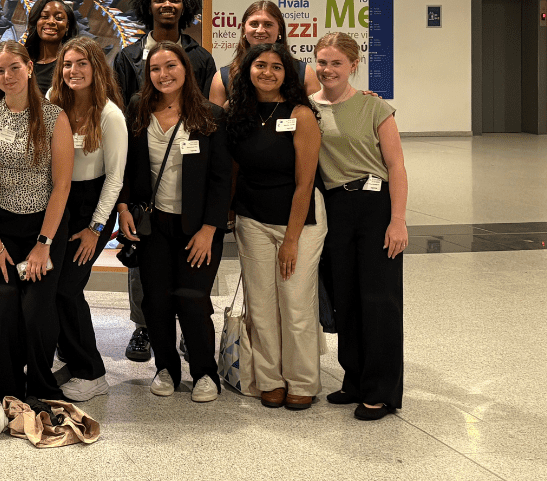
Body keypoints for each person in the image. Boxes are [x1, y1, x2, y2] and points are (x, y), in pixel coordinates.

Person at [112, 0, 214, 362]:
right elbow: (122, 116)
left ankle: (190, 327)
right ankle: (144, 326)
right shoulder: (128, 56)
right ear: (148, 5)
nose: (167, 5)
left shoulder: (201, 57)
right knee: (145, 257)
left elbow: (209, 113)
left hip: (189, 168)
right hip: (145, 170)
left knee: (189, 255)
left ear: (184, 5)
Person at [122, 41, 230, 403]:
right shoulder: (138, 109)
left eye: (171, 66)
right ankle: (166, 368)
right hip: (152, 225)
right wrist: (123, 209)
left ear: (185, 69)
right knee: (156, 300)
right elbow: (124, 168)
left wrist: (209, 229)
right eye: (155, 69)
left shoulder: (210, 115)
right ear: (147, 74)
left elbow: (221, 179)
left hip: (197, 228)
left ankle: (204, 373)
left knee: (193, 299)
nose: (164, 74)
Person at [0, 41, 73, 400]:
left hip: (45, 227)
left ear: (29, 67)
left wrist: (43, 245)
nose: (7, 76)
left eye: (14, 67)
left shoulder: (55, 117)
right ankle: (8, 388)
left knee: (36, 311)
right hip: (0, 228)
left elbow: (61, 186)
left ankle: (42, 385)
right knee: (6, 307)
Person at [311, 32, 408, 421]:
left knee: (379, 299)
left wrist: (397, 220)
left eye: (336, 63)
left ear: (353, 65)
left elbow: (397, 166)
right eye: (322, 62)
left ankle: (380, 391)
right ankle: (354, 379)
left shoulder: (375, 108)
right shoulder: (308, 107)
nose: (328, 70)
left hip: (374, 205)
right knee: (346, 297)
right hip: (335, 206)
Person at [225, 43, 326, 411]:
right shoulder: (236, 113)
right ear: (248, 70)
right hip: (252, 219)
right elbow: (234, 171)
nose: (267, 72)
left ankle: (301, 380)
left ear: (288, 74)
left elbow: (305, 182)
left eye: (277, 67)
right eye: (260, 65)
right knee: (262, 306)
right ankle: (269, 379)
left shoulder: (301, 114)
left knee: (296, 302)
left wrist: (292, 240)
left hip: (299, 221)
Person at [49, 37, 126, 402]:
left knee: (67, 288)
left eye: (82, 64)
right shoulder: (53, 104)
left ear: (97, 69)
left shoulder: (109, 114)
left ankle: (91, 372)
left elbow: (115, 178)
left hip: (91, 207)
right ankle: (68, 354)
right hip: (58, 202)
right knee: (53, 287)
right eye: (67, 64)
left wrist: (97, 229)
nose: (73, 71)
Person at [209, 0, 321, 107]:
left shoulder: (304, 73)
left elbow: (317, 119)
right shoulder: (223, 77)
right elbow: (215, 123)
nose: (260, 30)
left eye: (268, 25)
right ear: (243, 29)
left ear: (280, 30)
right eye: (254, 24)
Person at [23, 0, 79, 96]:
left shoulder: (71, 66)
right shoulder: (22, 57)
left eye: (59, 18)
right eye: (44, 17)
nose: (51, 22)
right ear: (35, 22)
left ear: (67, 26)